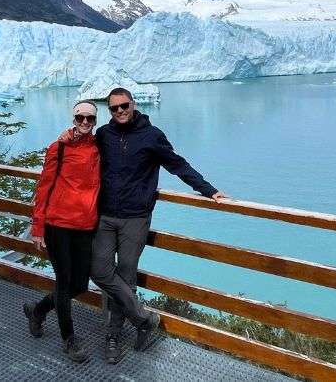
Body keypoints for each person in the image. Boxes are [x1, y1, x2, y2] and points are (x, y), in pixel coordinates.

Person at [89, 87, 225, 363]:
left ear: (133, 104)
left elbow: (178, 165)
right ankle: (144, 320)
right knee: (100, 271)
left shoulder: (152, 136)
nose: (120, 112)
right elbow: (83, 158)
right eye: (114, 108)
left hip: (136, 218)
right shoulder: (104, 134)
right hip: (104, 215)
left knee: (125, 277)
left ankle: (113, 335)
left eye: (124, 106)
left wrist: (209, 190)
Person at [23, 100, 101, 363]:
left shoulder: (99, 147)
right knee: (65, 281)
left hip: (85, 226)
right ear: (73, 118)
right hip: (58, 226)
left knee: (79, 284)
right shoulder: (59, 147)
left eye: (90, 119)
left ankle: (39, 309)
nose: (85, 123)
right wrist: (38, 227)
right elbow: (44, 187)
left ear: (95, 121)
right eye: (80, 118)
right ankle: (69, 340)